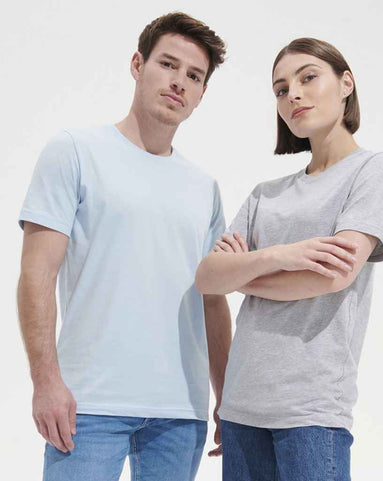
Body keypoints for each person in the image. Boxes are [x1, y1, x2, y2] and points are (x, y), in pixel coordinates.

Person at [17, 12, 230, 481]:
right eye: (167, 65)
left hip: (180, 412)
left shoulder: (204, 187)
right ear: (137, 64)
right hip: (88, 404)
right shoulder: (75, 151)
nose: (178, 82)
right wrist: (45, 381)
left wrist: (225, 397)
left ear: (201, 94)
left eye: (194, 76)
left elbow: (213, 300)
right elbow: (36, 274)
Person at [195, 37, 383, 481]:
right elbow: (208, 278)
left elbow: (333, 275)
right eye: (281, 89)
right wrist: (283, 255)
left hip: (311, 409)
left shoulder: (374, 169)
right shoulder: (265, 195)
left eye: (308, 77)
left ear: (346, 84)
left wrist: (243, 274)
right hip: (240, 406)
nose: (293, 94)